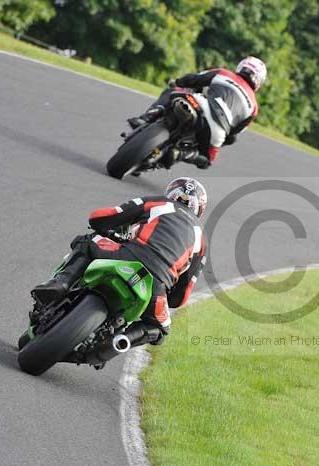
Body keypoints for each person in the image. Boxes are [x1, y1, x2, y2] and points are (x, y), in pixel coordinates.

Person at [32, 177, 208, 345]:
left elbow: (100, 217)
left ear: (171, 192)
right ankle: (118, 342)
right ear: (199, 209)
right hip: (157, 285)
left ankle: (61, 283)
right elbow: (181, 297)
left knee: (87, 242)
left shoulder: (158, 202)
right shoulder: (202, 241)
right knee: (160, 328)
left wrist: (104, 228)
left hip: (126, 255)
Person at [127, 56, 267, 169]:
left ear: (242, 66)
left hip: (201, 105)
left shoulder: (224, 73)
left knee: (172, 92)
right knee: (207, 161)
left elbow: (193, 79)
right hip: (218, 131)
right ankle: (180, 154)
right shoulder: (254, 107)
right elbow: (234, 134)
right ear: (259, 81)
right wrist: (222, 139)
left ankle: (147, 117)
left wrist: (177, 82)